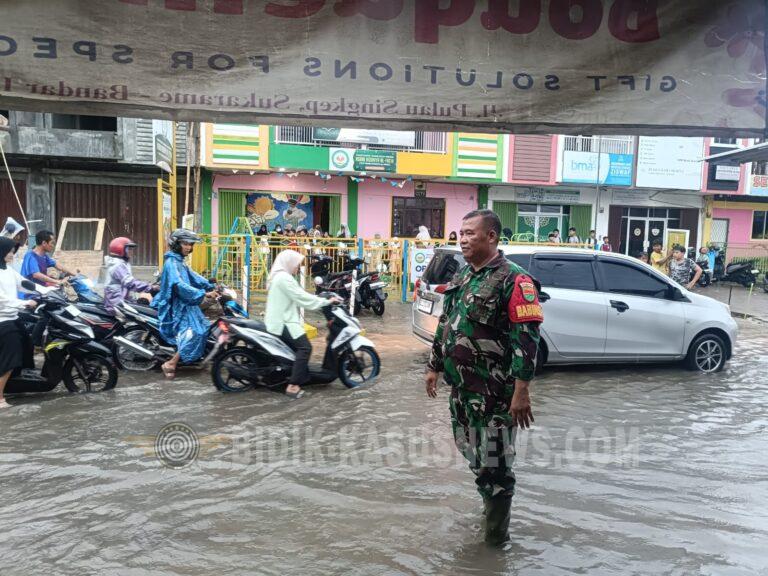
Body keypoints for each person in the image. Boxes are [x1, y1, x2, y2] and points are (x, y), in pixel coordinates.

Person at [425, 209, 542, 545]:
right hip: (463, 392)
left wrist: (521, 391)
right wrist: (434, 366)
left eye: (469, 233)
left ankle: (495, 543)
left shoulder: (514, 280)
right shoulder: (464, 276)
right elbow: (446, 324)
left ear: (491, 236)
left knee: (496, 469)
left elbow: (527, 338)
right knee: (473, 455)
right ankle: (490, 507)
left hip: (495, 395)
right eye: (460, 233)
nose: (462, 239)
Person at [265, 250, 341, 399]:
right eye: (296, 264)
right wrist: (326, 301)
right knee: (305, 348)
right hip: (283, 322)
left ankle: (295, 375)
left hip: (279, 319)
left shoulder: (278, 276)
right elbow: (301, 297)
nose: (297, 267)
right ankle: (293, 386)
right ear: (288, 263)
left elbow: (299, 295)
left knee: (298, 349)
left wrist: (318, 298)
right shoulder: (284, 278)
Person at [153, 229, 217, 379]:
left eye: (190, 244)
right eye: (185, 244)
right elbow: (178, 284)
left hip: (187, 303)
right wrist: (203, 293)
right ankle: (171, 363)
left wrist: (209, 284)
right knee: (195, 332)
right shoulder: (171, 262)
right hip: (177, 305)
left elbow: (193, 276)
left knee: (205, 326)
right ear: (176, 244)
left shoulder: (179, 261)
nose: (188, 247)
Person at [0, 238, 38, 408]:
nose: (12, 254)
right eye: (9, 251)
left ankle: (16, 385)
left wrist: (49, 289)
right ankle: (0, 399)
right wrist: (23, 303)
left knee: (28, 346)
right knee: (10, 358)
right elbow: (2, 299)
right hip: (2, 321)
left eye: (13, 250)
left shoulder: (8, 269)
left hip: (13, 317)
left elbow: (23, 283)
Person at [103, 237, 154, 314]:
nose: (131, 252)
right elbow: (130, 283)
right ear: (120, 249)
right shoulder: (117, 265)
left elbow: (128, 284)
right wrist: (150, 288)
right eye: (129, 249)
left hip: (121, 301)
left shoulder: (121, 263)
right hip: (116, 305)